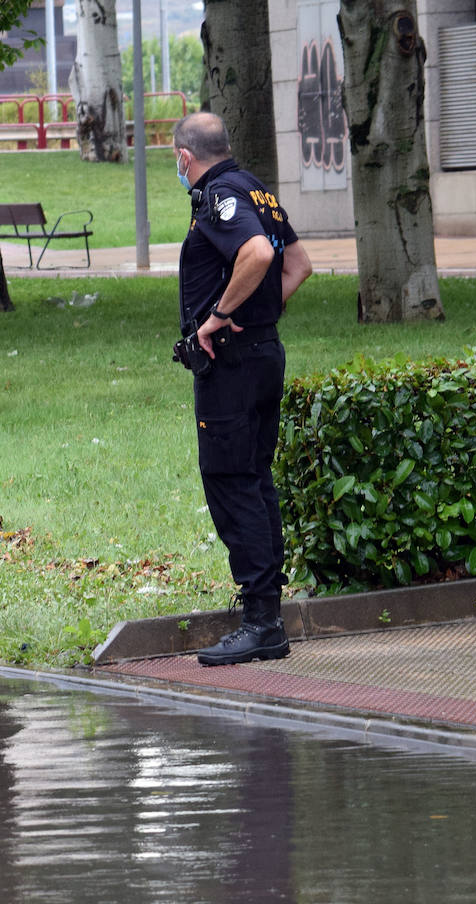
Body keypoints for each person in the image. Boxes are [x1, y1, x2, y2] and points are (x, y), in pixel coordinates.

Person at [172, 112, 314, 666]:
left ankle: (260, 623)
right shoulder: (259, 189)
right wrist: (257, 316)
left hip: (229, 363)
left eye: (174, 161)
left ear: (186, 157)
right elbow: (296, 266)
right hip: (262, 353)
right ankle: (268, 616)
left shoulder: (220, 197)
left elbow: (257, 254)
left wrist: (219, 317)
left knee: (232, 481)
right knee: (255, 477)